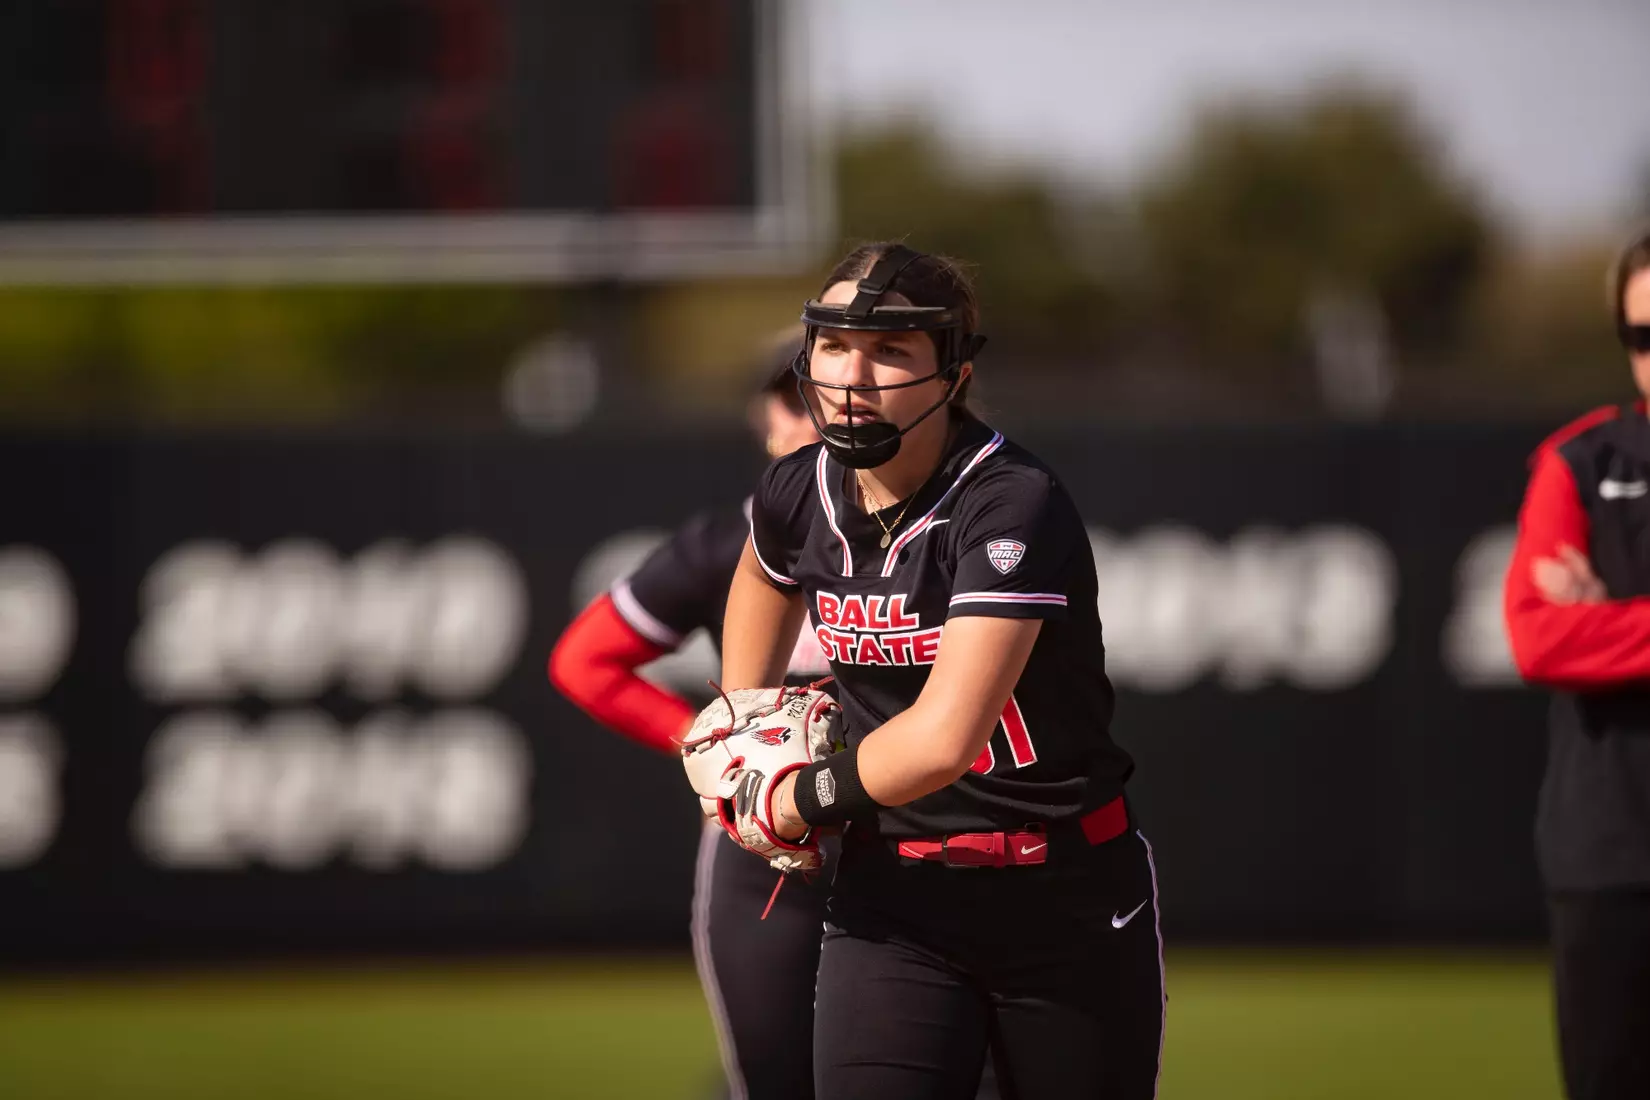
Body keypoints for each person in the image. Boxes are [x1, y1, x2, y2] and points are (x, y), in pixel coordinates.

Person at [715, 242, 1166, 1098]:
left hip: (1061, 898)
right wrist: (745, 720)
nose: (855, 374)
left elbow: (946, 738)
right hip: (894, 896)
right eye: (835, 345)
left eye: (892, 350)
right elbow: (761, 570)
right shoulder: (796, 488)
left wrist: (790, 796)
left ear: (954, 372)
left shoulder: (1009, 501)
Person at [547, 334, 829, 1100]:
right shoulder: (726, 542)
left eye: (826, 391)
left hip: (914, 848)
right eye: (791, 397)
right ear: (763, 420)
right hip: (767, 854)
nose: (811, 413)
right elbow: (585, 660)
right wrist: (719, 749)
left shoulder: (924, 538)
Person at [1504, 225, 1650, 1100]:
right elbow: (1539, 636)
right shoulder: (1581, 463)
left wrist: (1615, 623)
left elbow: (1583, 635)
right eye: (1643, 336)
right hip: (1614, 854)